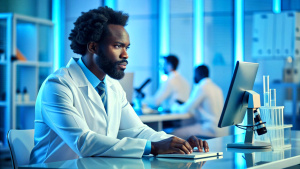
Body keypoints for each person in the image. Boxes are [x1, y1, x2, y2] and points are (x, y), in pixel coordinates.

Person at [29, 6, 209, 164]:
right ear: (92, 47)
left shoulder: (113, 87)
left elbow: (137, 131)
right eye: (117, 46)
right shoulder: (58, 85)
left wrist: (178, 142)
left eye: (127, 47)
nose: (126, 55)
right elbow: (83, 142)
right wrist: (154, 147)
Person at [172, 65, 226, 139]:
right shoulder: (217, 88)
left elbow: (186, 109)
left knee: (175, 133)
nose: (194, 77)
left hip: (209, 128)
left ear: (200, 74)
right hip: (222, 130)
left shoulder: (201, 87)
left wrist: (174, 107)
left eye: (195, 74)